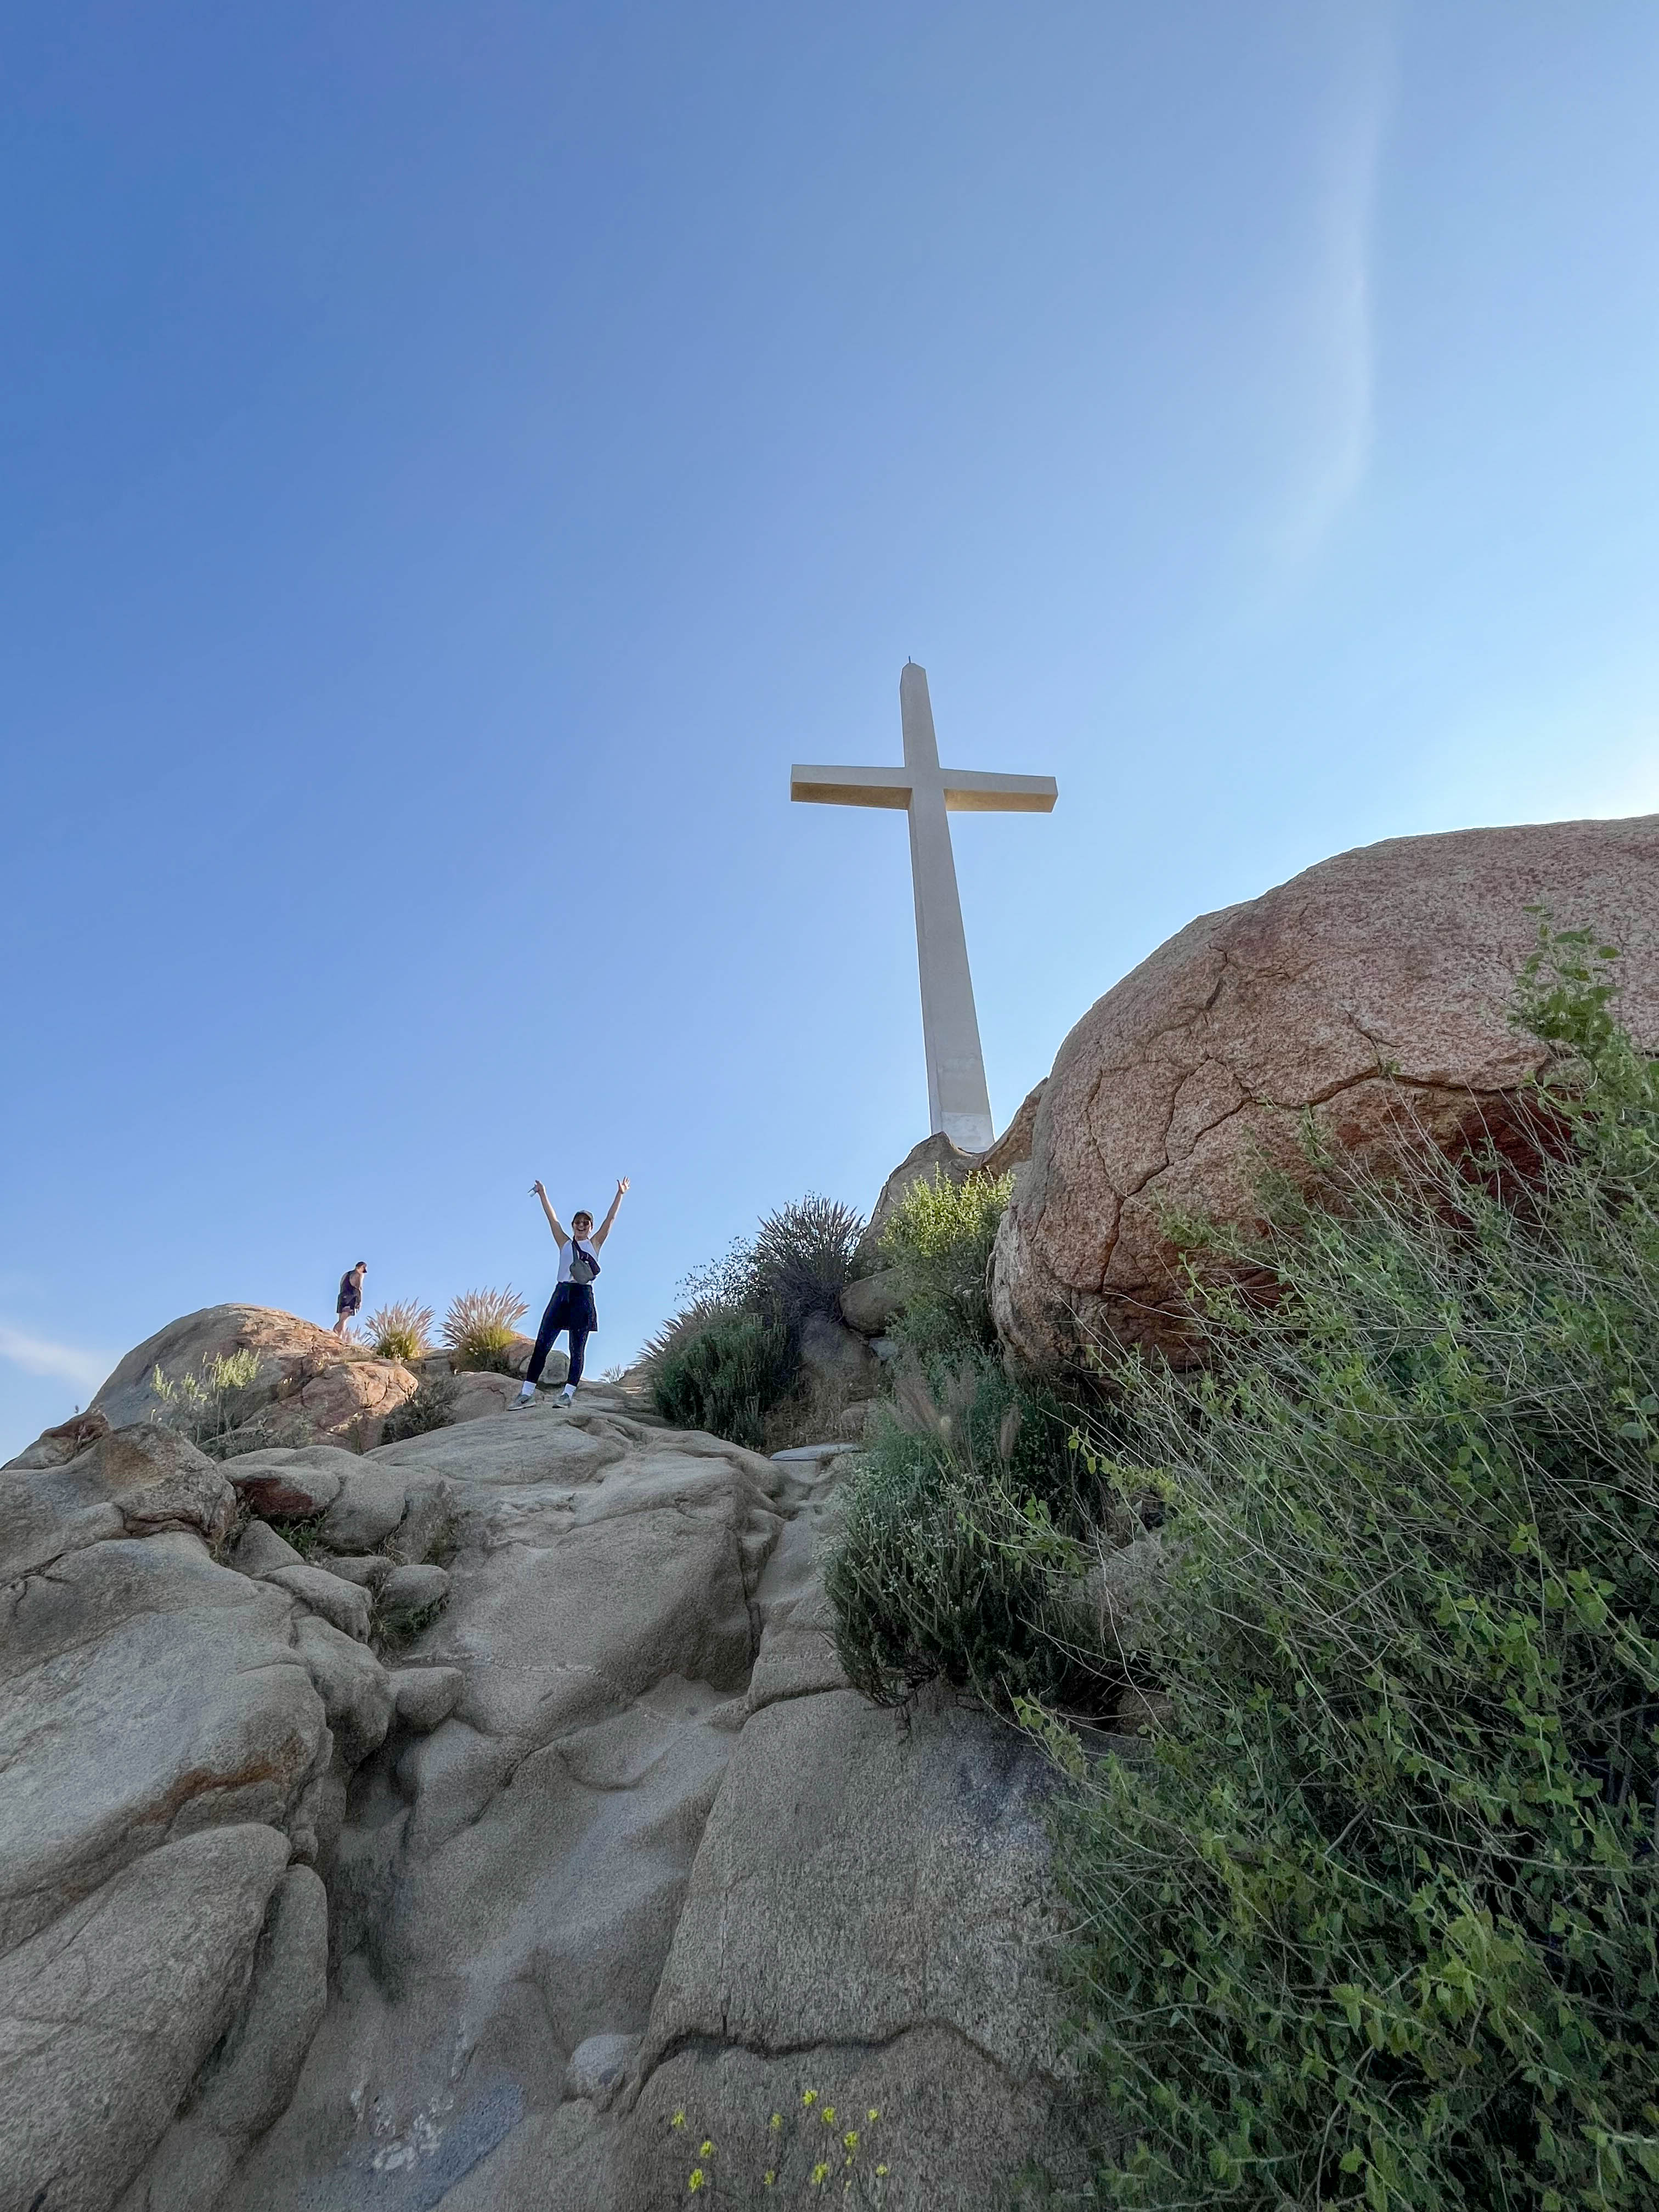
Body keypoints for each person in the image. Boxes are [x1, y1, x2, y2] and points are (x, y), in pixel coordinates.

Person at [514, 1177, 629, 1406]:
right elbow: (552, 1219)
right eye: (578, 1222)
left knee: (577, 1348)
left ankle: (567, 1395)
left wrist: (620, 1194)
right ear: (573, 1225)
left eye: (586, 1222)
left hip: (582, 1296)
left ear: (591, 1227)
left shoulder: (595, 1244)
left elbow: (611, 1219)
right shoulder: (565, 1243)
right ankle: (526, 1394)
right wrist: (543, 1193)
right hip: (561, 1294)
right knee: (543, 1343)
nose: (582, 1225)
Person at [334, 1261, 368, 1336]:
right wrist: (360, 1301)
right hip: (350, 1298)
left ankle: (339, 1336)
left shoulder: (346, 1274)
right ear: (362, 1267)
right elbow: (359, 1288)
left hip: (342, 1297)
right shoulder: (359, 1275)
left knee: (342, 1319)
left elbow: (341, 1285)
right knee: (344, 1320)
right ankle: (334, 1334)